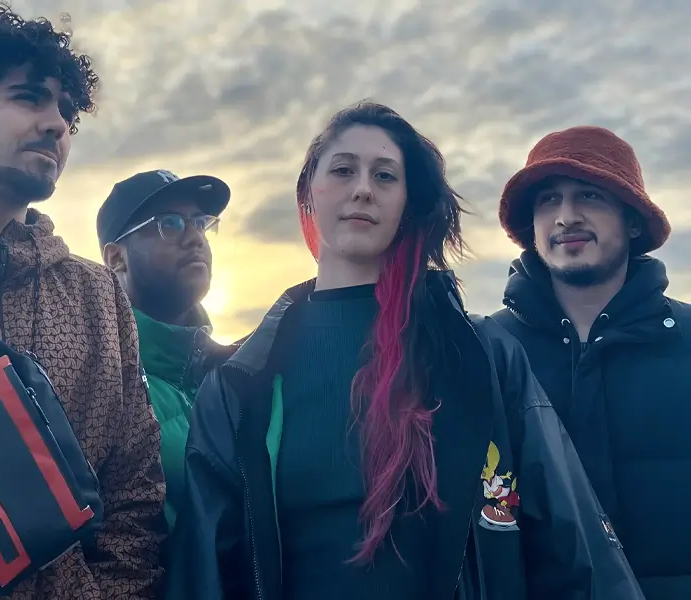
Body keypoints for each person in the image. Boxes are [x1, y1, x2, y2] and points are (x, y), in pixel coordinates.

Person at [167, 102, 644, 600]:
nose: (363, 188)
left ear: (408, 203)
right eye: (344, 169)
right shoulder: (241, 382)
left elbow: (573, 550)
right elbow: (205, 570)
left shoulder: (481, 356)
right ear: (309, 191)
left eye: (386, 176)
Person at [0, 6, 165, 599]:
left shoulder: (97, 297)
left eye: (66, 110)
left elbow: (135, 501)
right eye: (28, 98)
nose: (56, 124)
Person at [493, 126, 688, 599]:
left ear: (634, 220)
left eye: (590, 195)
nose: (566, 217)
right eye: (548, 200)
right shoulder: (491, 350)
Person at [97, 169, 241, 535]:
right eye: (170, 224)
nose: (195, 238)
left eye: (201, 223)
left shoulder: (237, 376)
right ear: (116, 258)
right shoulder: (101, 383)